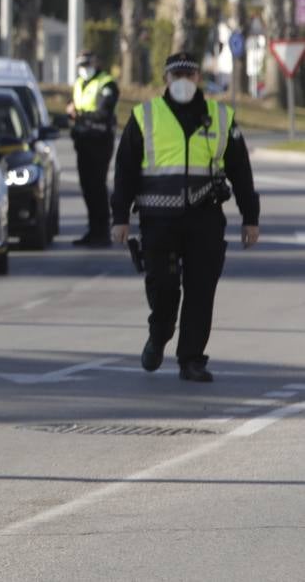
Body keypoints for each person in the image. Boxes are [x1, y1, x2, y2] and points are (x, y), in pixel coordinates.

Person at [111, 52, 260, 382]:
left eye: (189, 75)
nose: (182, 81)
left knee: (201, 290)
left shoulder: (220, 117)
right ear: (166, 79)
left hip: (204, 218)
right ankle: (160, 332)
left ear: (198, 79)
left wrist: (251, 217)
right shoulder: (145, 116)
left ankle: (191, 359)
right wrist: (119, 216)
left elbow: (241, 170)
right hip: (158, 220)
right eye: (176, 75)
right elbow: (124, 171)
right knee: (162, 288)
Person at [66, 50, 120, 246]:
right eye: (81, 65)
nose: (84, 69)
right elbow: (72, 105)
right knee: (87, 187)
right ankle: (93, 229)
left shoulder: (107, 83)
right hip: (83, 141)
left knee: (97, 186)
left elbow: (103, 113)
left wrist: (78, 115)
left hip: (100, 142)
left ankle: (102, 231)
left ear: (96, 62)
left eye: (87, 64)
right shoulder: (80, 83)